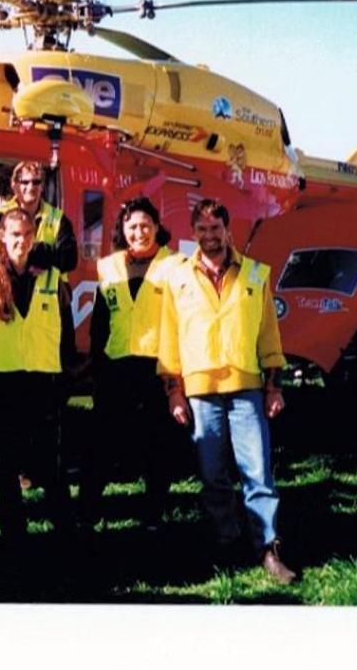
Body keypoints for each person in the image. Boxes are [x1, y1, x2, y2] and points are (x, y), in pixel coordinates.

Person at [159, 199, 298, 584]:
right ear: (193, 233)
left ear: (227, 229)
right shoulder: (178, 278)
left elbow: (270, 334)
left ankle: (269, 550)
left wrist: (274, 386)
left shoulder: (255, 274)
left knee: (258, 474)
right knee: (212, 475)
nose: (209, 236)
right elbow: (170, 339)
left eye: (215, 229)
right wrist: (174, 391)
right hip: (201, 392)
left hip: (247, 389)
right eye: (202, 230)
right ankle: (226, 544)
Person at [0, 207, 76, 542]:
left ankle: (64, 529)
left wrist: (65, 375)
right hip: (0, 382)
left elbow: (66, 331)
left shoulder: (53, 277)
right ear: (2, 239)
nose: (21, 241)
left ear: (34, 237)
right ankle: (13, 532)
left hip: (43, 379)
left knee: (49, 462)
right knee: (6, 464)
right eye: (14, 235)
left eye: (26, 234)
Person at [78, 198, 181, 532]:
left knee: (157, 442)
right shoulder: (108, 266)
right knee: (102, 442)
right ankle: (88, 511)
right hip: (116, 365)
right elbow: (101, 319)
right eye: (132, 226)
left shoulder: (176, 264)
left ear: (156, 226)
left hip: (158, 364)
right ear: (123, 229)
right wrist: (96, 362)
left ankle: (152, 513)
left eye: (145, 225)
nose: (139, 232)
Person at [0, 160, 78, 276]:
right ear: (14, 185)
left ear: (42, 186)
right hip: (8, 287)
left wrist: (42, 257)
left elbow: (70, 259)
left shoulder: (58, 218)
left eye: (36, 182)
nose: (31, 187)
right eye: (25, 182)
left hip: (47, 292)